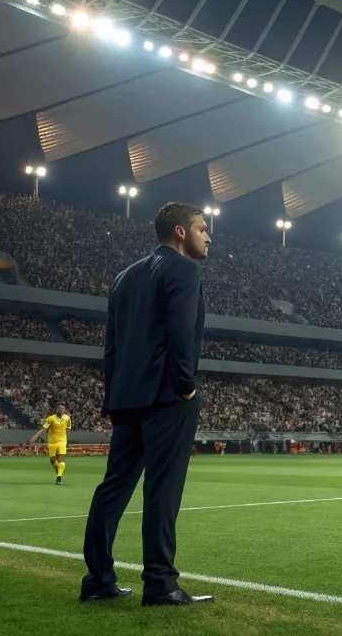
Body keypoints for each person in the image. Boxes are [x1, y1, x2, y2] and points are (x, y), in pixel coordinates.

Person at [80, 202, 215, 605]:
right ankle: (160, 583)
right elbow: (181, 332)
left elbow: (112, 346)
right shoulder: (184, 270)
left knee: (113, 488)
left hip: (127, 399)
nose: (208, 237)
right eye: (202, 228)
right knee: (162, 489)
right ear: (180, 231)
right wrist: (186, 386)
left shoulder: (123, 278)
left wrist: (112, 398)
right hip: (167, 397)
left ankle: (98, 579)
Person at [27, 404, 71, 485]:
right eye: (60, 408)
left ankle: (59, 477)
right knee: (52, 459)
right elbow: (43, 429)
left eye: (63, 408)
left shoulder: (67, 418)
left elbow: (68, 428)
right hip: (52, 442)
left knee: (61, 458)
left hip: (62, 441)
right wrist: (34, 438)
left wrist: (64, 436)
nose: (61, 409)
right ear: (56, 409)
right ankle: (58, 471)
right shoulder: (50, 419)